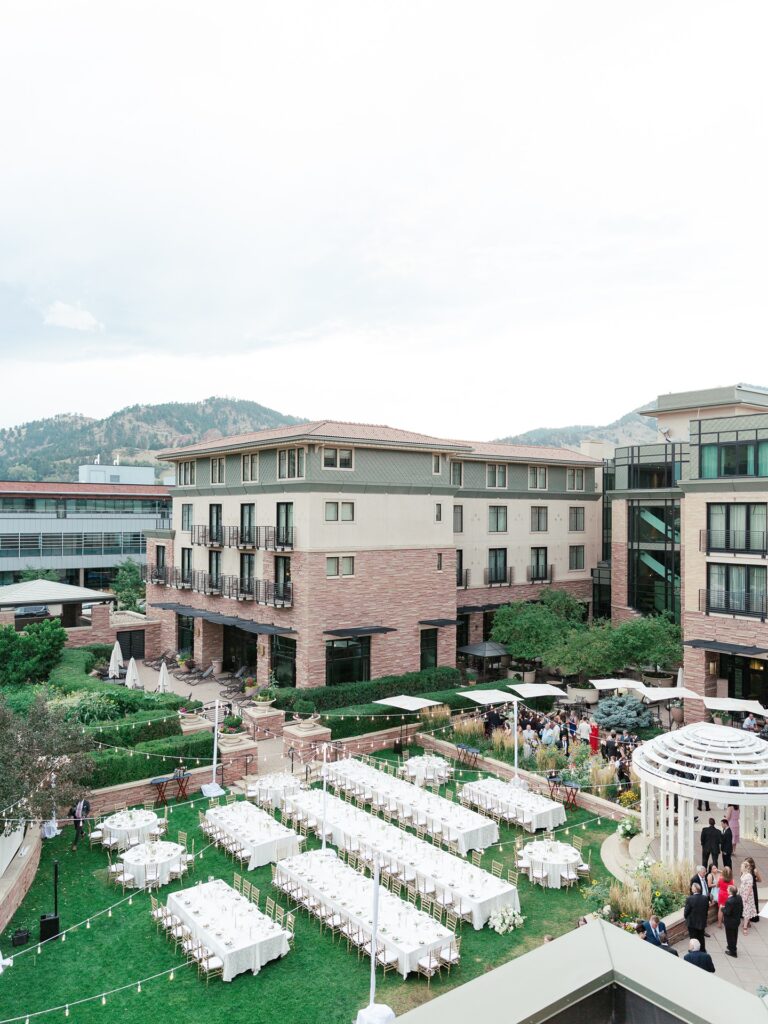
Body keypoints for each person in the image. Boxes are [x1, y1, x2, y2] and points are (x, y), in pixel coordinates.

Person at [684, 883, 710, 950]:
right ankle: (703, 950)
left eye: (692, 887)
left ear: (694, 890)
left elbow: (686, 912)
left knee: (693, 939)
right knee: (701, 938)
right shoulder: (705, 898)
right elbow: (706, 909)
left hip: (692, 923)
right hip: (702, 922)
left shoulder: (690, 899)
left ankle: (694, 951)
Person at [723, 885, 744, 957]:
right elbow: (741, 907)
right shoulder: (739, 897)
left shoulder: (729, 901)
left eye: (728, 889)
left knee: (730, 937)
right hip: (736, 920)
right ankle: (732, 946)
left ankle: (733, 952)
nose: (727, 890)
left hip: (730, 922)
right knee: (734, 935)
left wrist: (722, 908)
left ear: (730, 892)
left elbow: (727, 912)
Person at [738, 859, 758, 933]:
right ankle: (748, 922)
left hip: (747, 895)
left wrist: (746, 896)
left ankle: (745, 927)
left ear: (745, 867)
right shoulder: (743, 873)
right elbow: (742, 884)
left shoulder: (749, 875)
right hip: (743, 893)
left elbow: (750, 887)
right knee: (747, 909)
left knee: (746, 910)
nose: (740, 867)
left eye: (742, 866)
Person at [746, 857, 762, 924]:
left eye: (746, 863)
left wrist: (754, 880)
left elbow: (760, 880)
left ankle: (752, 916)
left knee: (752, 902)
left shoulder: (755, 870)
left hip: (752, 888)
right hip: (746, 887)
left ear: (751, 864)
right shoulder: (745, 869)